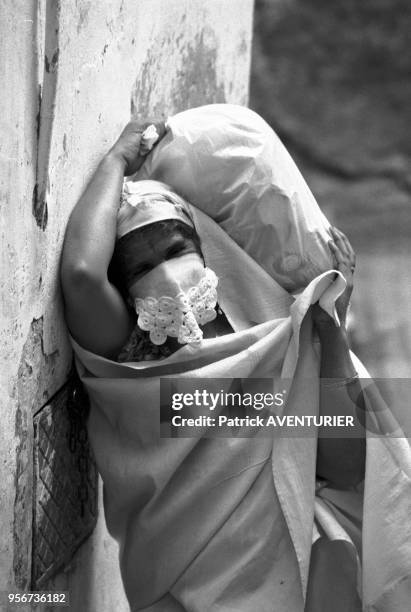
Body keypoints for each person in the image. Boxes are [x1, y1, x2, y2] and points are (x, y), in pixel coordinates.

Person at [60, 118, 406, 611]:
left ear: (206, 252)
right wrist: (117, 159)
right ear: (124, 289)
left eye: (176, 248)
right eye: (139, 265)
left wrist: (332, 325)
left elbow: (346, 465)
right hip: (184, 578)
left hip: (283, 573)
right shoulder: (129, 351)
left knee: (334, 551)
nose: (166, 271)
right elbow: (79, 274)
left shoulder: (265, 341)